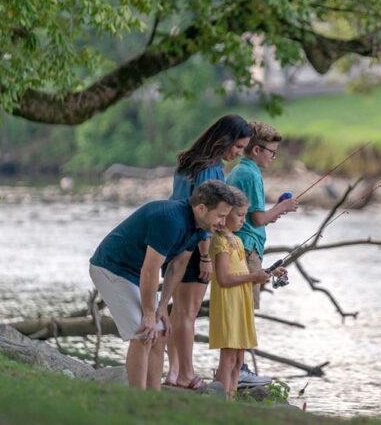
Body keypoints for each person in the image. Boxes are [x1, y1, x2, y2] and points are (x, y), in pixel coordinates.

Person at [89, 180, 236, 389]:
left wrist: (162, 308)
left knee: (160, 333)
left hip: (135, 273)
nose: (223, 223)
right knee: (144, 333)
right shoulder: (171, 220)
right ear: (201, 208)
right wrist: (149, 313)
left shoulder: (200, 226)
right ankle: (136, 401)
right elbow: (150, 269)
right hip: (112, 267)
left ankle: (153, 398)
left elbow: (178, 265)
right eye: (221, 216)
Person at [165, 115, 251, 390]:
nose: (238, 154)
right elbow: (204, 215)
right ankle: (187, 374)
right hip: (194, 243)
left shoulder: (187, 162)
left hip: (171, 239)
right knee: (187, 313)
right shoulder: (211, 169)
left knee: (177, 311)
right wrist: (205, 255)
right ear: (224, 139)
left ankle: (174, 371)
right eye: (237, 147)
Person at [226, 121, 298, 385]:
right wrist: (285, 207)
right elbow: (257, 219)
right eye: (271, 151)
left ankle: (236, 367)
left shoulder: (238, 171)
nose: (273, 156)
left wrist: (273, 212)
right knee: (244, 310)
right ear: (256, 149)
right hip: (247, 247)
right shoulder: (251, 174)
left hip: (240, 245)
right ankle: (240, 368)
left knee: (240, 308)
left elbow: (256, 216)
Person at [208, 187, 287, 398]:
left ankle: (231, 399)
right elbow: (224, 279)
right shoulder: (220, 241)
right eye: (240, 215)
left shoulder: (238, 240)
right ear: (225, 215)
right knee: (228, 357)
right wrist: (254, 278)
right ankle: (220, 399)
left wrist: (270, 271)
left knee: (238, 359)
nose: (244, 220)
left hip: (240, 304)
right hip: (228, 305)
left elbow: (244, 272)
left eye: (244, 215)